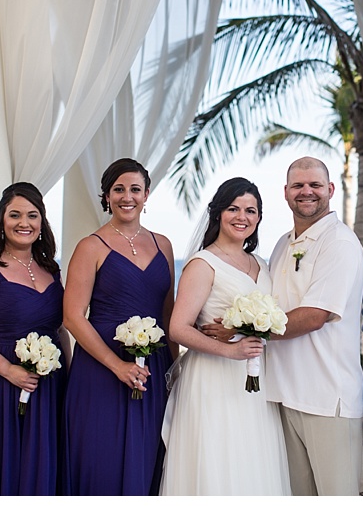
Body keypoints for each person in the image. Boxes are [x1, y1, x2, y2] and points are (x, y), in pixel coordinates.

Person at [160, 177, 291, 495]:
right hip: (213, 378)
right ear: (218, 213)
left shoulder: (262, 263)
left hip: (255, 381)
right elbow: (178, 328)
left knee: (253, 460)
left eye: (251, 210)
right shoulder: (204, 263)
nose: (242, 217)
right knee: (217, 460)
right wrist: (230, 350)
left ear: (259, 217)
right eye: (233, 208)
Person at [61, 158, 176, 495]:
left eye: (135, 189)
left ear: (147, 194)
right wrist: (117, 365)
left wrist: (173, 369)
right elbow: (72, 317)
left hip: (152, 369)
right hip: (101, 368)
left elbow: (167, 313)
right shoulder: (90, 247)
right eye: (119, 190)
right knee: (102, 458)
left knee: (148, 453)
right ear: (107, 196)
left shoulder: (163, 245)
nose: (128, 197)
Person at [0, 182, 70, 495]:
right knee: (0, 463)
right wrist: (9, 371)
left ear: (41, 223)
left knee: (43, 464)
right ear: (1, 221)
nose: (24, 223)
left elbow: (59, 328)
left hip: (47, 383)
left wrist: (68, 378)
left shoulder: (51, 270)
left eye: (32, 216)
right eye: (15, 215)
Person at [264, 156, 363, 496]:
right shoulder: (282, 244)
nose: (306, 192)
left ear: (330, 190)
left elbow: (314, 315)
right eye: (298, 185)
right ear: (286, 192)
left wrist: (248, 331)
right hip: (285, 394)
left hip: (327, 397)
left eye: (315, 185)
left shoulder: (339, 242)